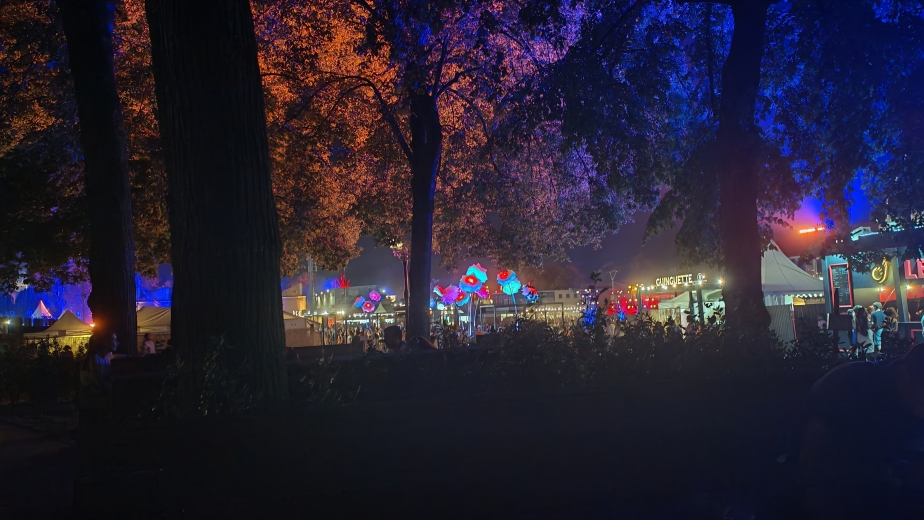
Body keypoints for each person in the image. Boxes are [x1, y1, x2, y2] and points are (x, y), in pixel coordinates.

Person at [800, 344, 924, 519]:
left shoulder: (910, 396)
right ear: (904, 377)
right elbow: (812, 464)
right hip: (841, 495)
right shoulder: (848, 386)